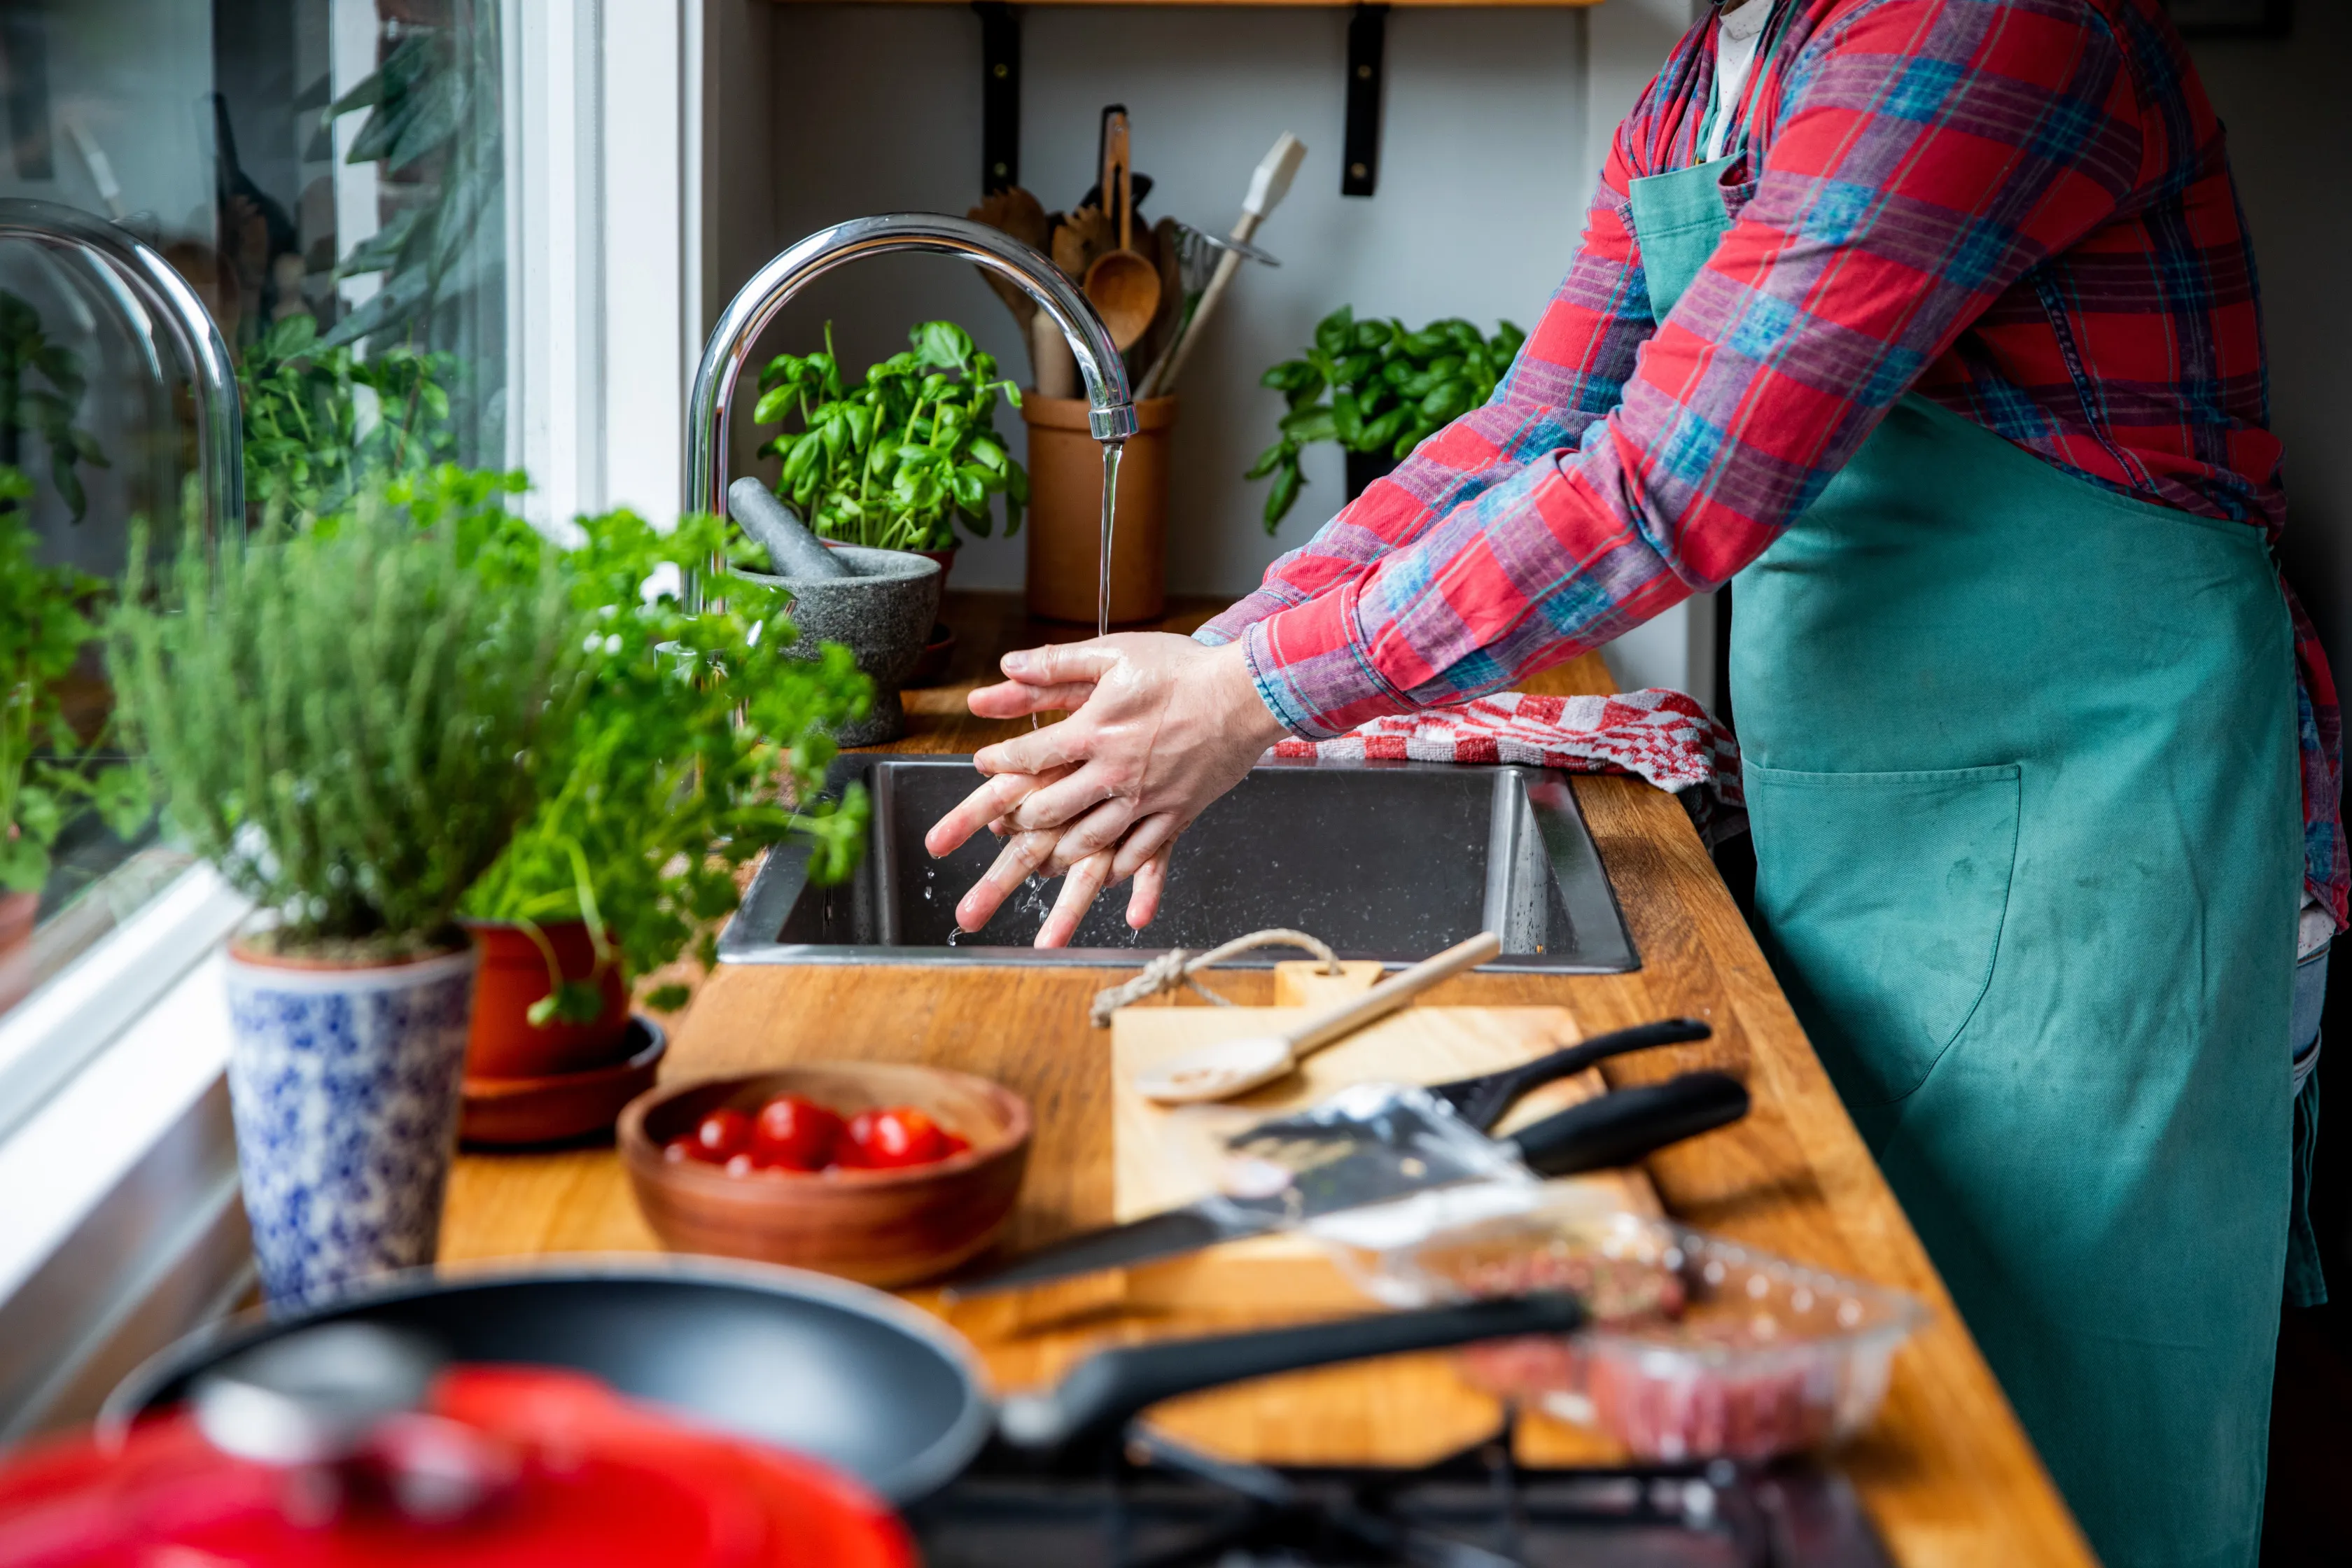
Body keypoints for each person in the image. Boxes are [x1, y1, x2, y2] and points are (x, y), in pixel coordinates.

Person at [923, 3, 2339, 1562]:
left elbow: (1667, 483)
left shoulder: (1979, 20)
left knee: (2059, 1446)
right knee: (1884, 1430)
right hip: (1878, 818)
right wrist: (1219, 660)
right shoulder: (1701, 92)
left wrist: (1257, 697)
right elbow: (1537, 426)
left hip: (2113, 831)